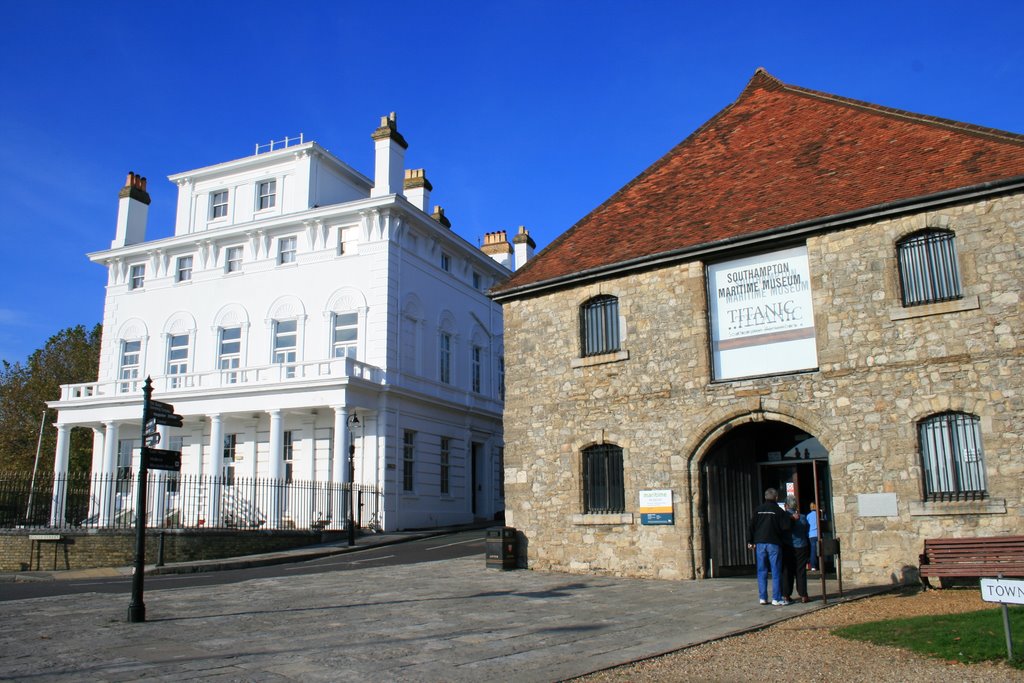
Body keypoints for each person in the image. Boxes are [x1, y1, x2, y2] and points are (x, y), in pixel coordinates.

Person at [746, 487, 792, 606]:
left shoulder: (758, 510)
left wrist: (750, 540)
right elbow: (786, 527)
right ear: (776, 497)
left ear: (765, 497)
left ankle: (763, 598)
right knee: (776, 571)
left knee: (762, 571)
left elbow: (751, 526)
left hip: (760, 543)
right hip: (774, 543)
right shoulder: (778, 511)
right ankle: (776, 598)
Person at [782, 495, 810, 603]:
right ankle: (803, 594)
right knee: (801, 571)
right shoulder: (802, 518)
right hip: (802, 546)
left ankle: (786, 595)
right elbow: (806, 530)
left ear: (786, 505)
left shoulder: (784, 516)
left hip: (788, 546)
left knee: (787, 571)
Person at [807, 502, 821, 571]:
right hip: (818, 534)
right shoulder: (818, 515)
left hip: (811, 535)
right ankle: (821, 565)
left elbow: (807, 525)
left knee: (813, 550)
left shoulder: (808, 516)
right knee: (820, 550)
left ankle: (813, 566)